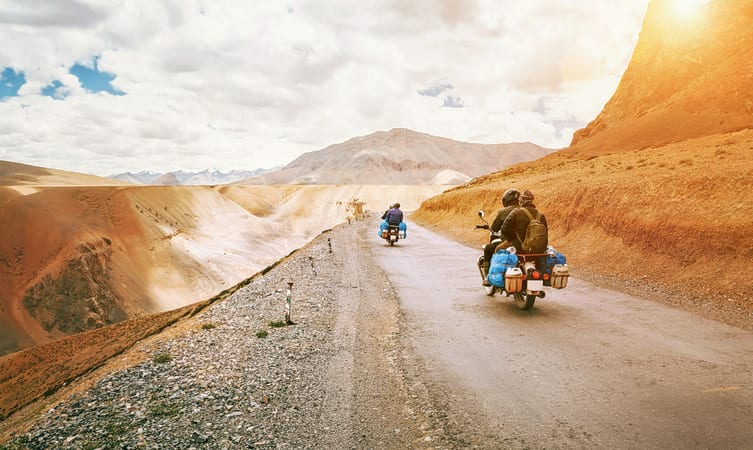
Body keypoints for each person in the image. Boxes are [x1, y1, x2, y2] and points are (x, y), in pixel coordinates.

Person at [480, 188, 520, 285]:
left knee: (488, 249)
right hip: (524, 244)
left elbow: (494, 228)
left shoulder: (503, 212)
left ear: (506, 200)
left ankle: (487, 278)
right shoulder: (524, 210)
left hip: (508, 242)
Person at [501, 189, 548, 254]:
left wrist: (512, 238)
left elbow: (504, 229)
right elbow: (545, 233)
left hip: (519, 249)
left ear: (522, 200)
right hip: (539, 250)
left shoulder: (516, 212)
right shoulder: (541, 215)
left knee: (497, 248)